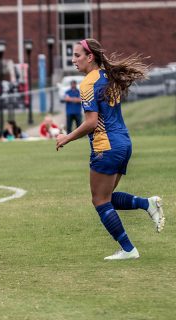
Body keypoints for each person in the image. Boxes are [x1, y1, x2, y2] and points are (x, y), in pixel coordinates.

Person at [55, 38, 165, 260]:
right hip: (123, 142)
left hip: (106, 146)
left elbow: (91, 122)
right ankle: (147, 203)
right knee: (106, 197)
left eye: (77, 55)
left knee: (100, 200)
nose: (73, 60)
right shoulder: (108, 77)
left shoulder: (88, 83)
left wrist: (66, 137)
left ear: (90, 57)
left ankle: (128, 249)